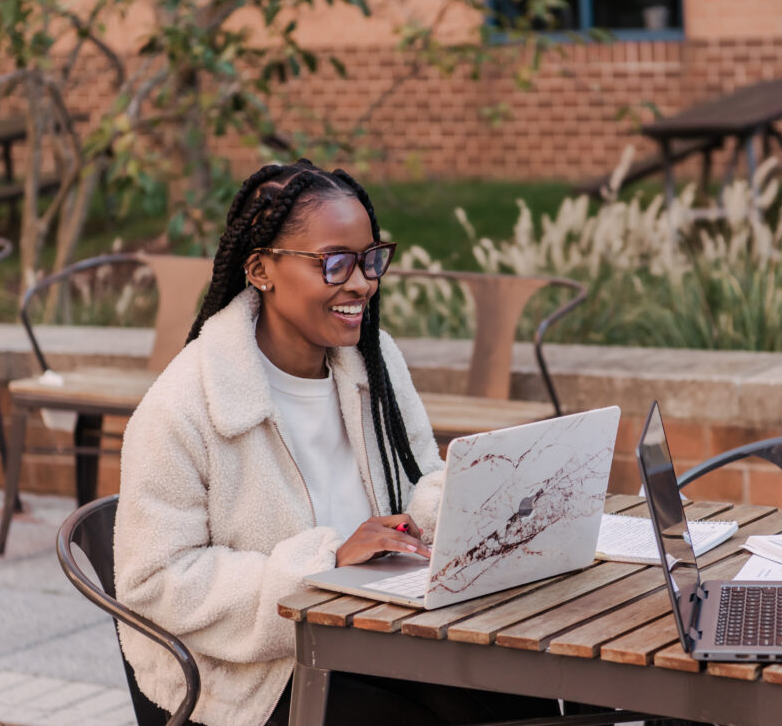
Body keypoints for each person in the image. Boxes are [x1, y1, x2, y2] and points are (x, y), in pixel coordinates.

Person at [114, 159, 560, 726]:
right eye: (335, 263)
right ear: (260, 269)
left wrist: (465, 506)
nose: (361, 282)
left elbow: (418, 478)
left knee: (528, 694)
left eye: (370, 259)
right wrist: (322, 565)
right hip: (255, 675)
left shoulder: (374, 363)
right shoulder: (185, 405)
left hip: (380, 629)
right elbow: (154, 583)